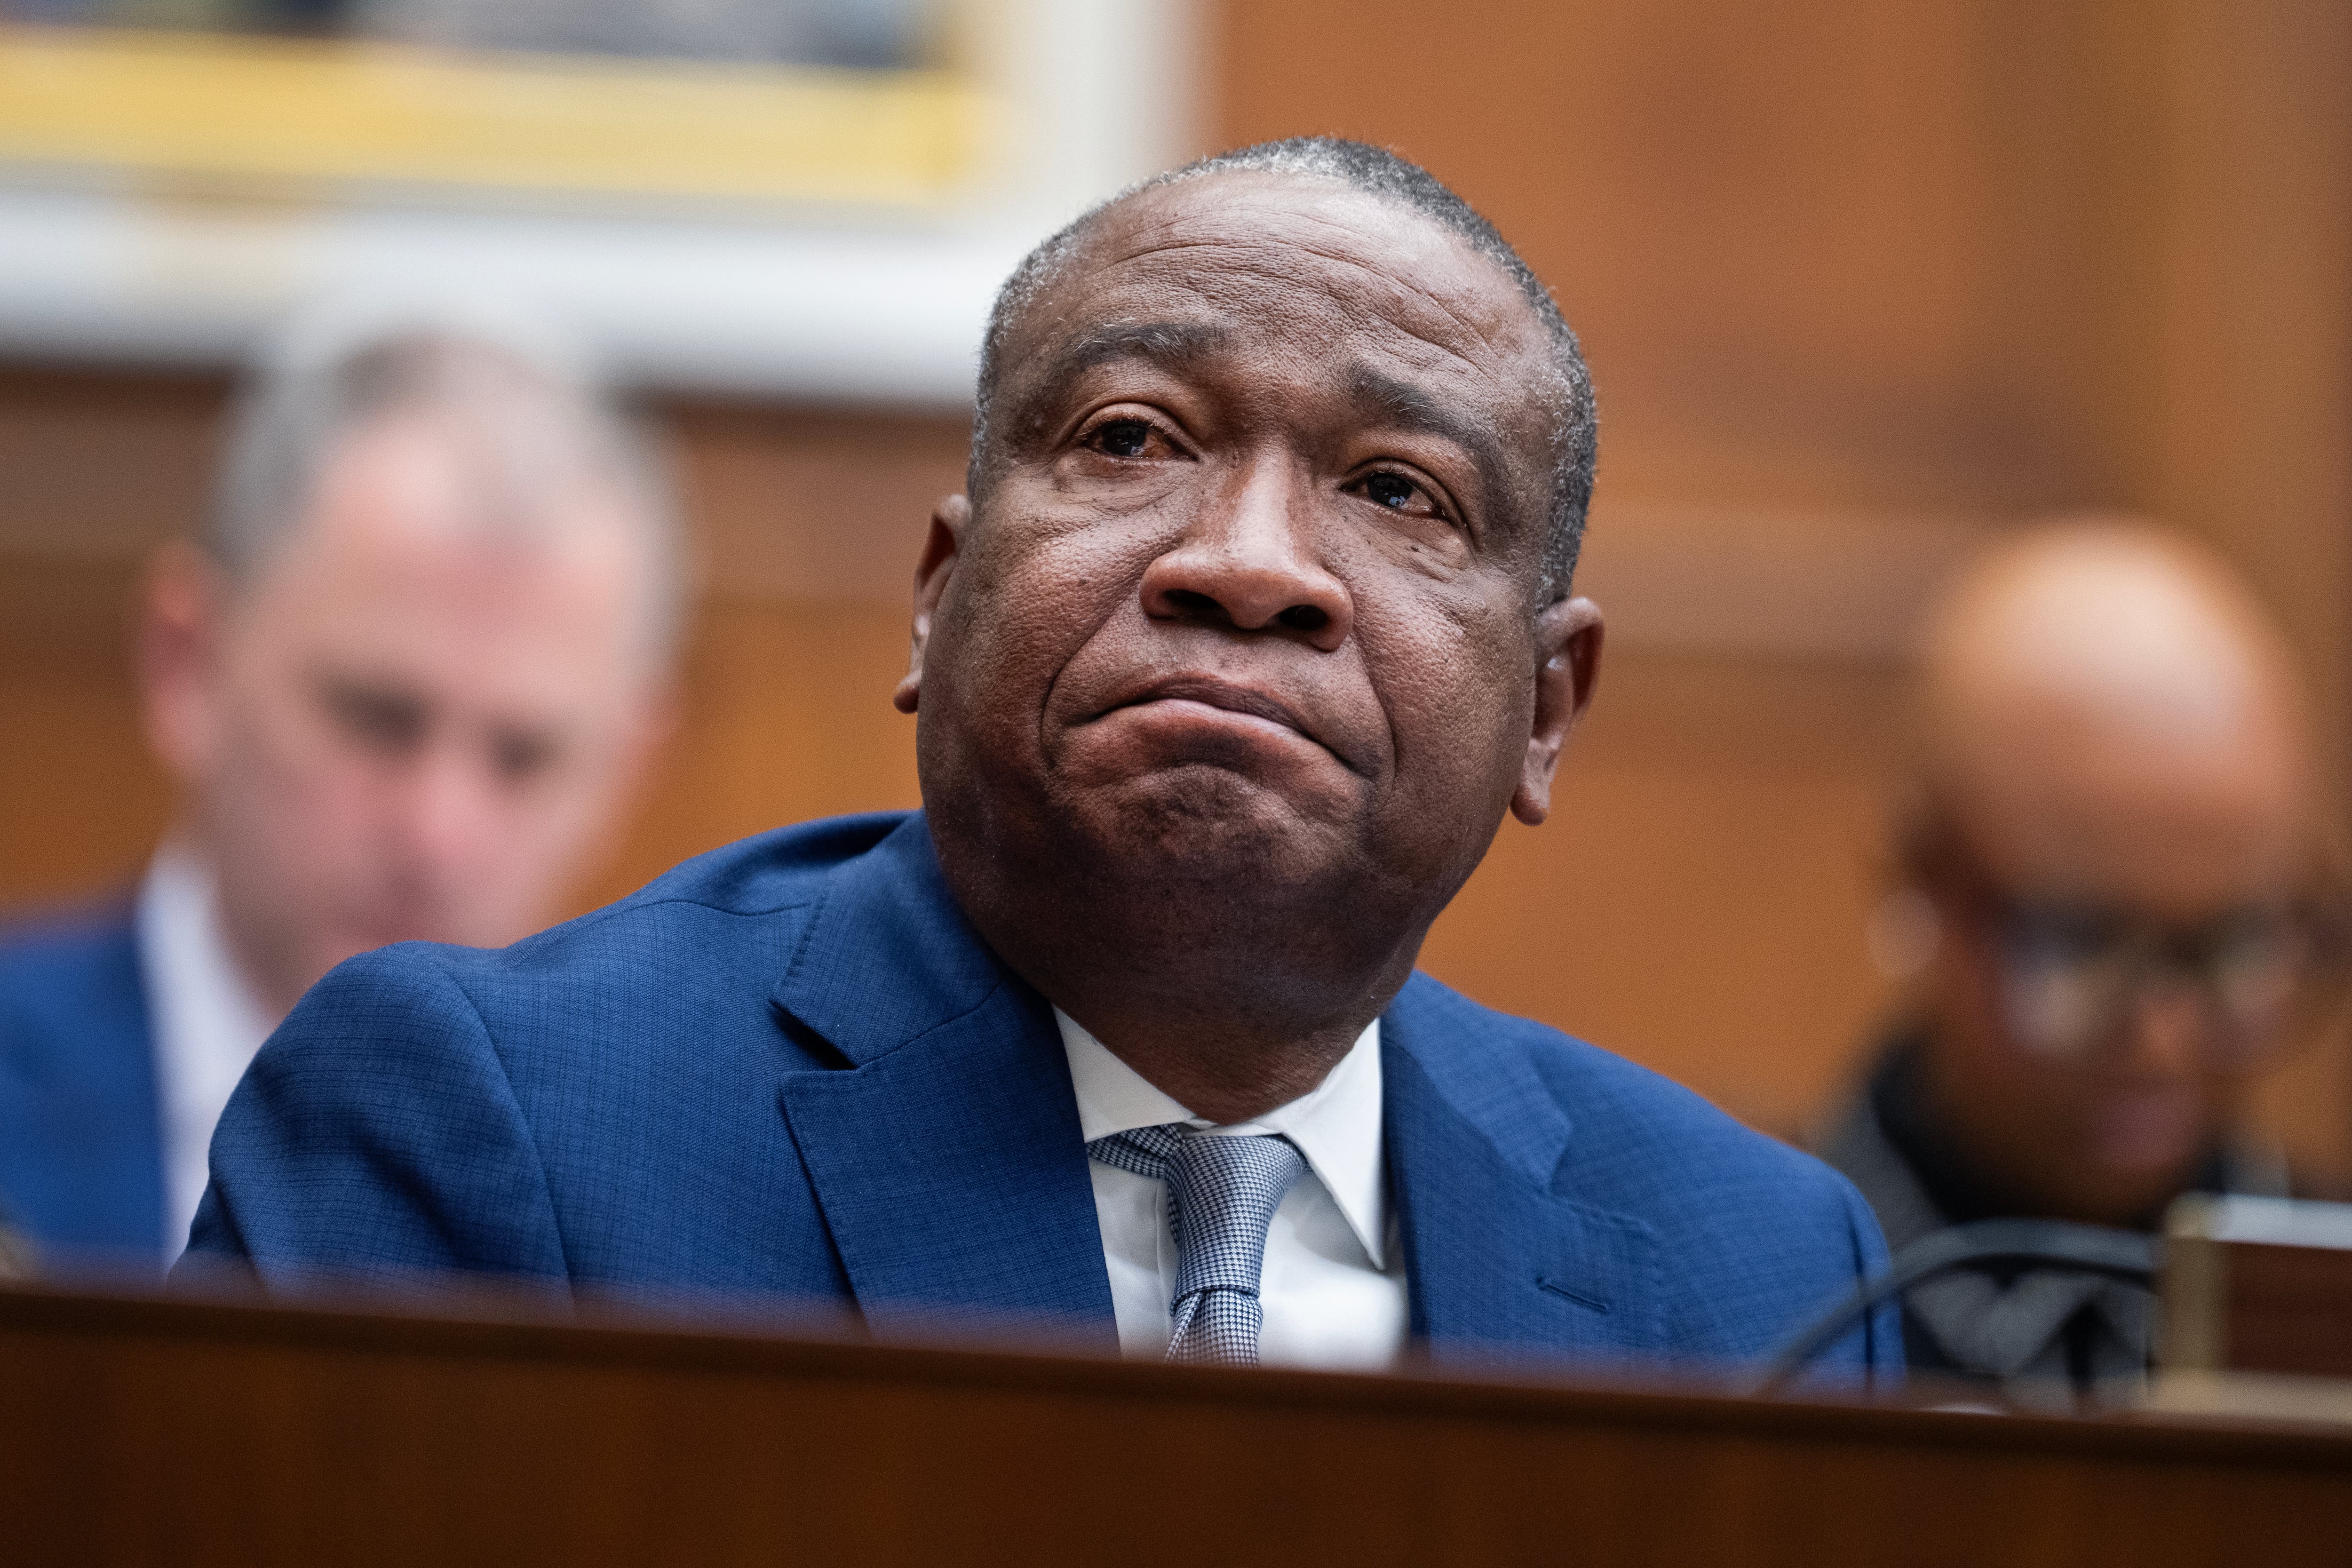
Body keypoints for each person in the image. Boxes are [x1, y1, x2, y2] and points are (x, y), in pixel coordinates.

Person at [182, 139, 1898, 1380]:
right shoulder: (495, 1132)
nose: (1249, 560)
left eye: (1396, 491)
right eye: (1132, 437)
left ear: (1544, 708)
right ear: (938, 604)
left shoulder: (1754, 1278)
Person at [0, 312, 680, 1274]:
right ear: (187, 662)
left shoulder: (680, 1196)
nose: (437, 831)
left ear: (627, 768)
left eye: (523, 755)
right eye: (375, 718)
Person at [1819, 519, 2347, 1401]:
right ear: (1922, 880)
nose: (2166, 1041)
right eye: (2087, 946)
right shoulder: (1764, 1283)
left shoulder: (2331, 1299)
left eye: (2234, 947)